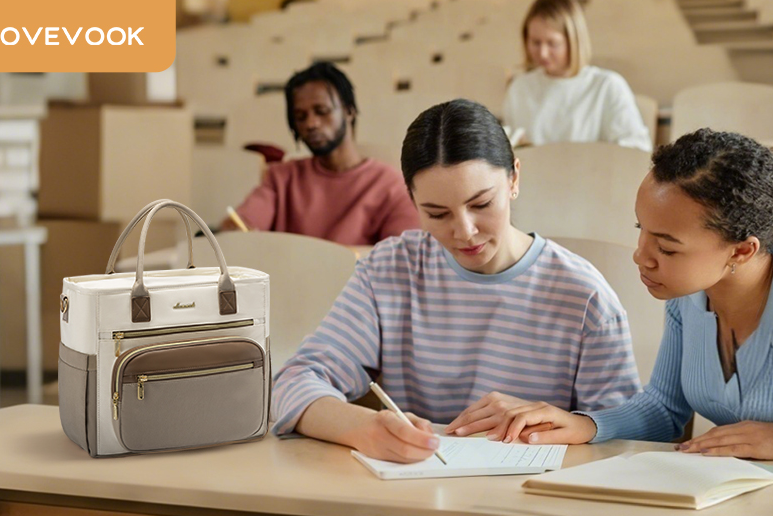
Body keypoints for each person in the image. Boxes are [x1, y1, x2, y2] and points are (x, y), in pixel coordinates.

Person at [445, 129, 773, 460]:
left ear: (742, 250)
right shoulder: (688, 296)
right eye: (641, 232)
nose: (641, 257)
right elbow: (665, 409)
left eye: (667, 247)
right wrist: (585, 425)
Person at [269, 99, 642, 463]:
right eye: (436, 213)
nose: (464, 232)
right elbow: (293, 382)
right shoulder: (390, 270)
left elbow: (626, 438)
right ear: (412, 202)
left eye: (481, 204)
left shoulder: (584, 296)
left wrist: (563, 423)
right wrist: (363, 427)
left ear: (514, 178)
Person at [223, 62, 420, 246]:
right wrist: (234, 233)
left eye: (322, 111)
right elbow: (238, 231)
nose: (311, 124)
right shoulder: (280, 177)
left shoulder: (391, 186)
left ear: (349, 112)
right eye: (300, 117)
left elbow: (401, 260)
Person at [501, 0, 653, 152]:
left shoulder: (607, 85)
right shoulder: (519, 88)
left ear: (573, 41)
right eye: (536, 43)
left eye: (552, 43)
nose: (543, 53)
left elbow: (637, 150)